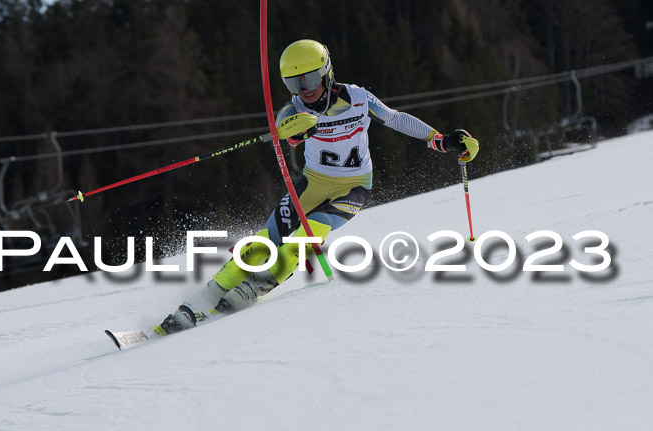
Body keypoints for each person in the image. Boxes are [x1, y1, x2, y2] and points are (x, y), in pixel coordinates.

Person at [161, 39, 479, 333]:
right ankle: (209, 294)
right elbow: (283, 128)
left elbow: (395, 118)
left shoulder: (358, 99)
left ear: (326, 72)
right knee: (269, 237)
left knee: (308, 231)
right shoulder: (295, 108)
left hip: (353, 188)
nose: (304, 89)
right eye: (293, 83)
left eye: (310, 80)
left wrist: (439, 139)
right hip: (312, 183)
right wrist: (290, 134)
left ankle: (255, 287)